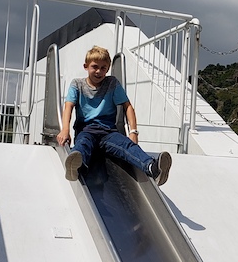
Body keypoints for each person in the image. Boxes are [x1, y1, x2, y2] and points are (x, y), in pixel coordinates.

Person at [56, 45, 172, 186]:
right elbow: (69, 106)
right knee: (82, 144)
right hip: (86, 130)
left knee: (126, 145)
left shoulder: (112, 83)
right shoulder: (77, 84)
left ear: (108, 69)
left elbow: (127, 106)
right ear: (86, 66)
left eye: (103, 68)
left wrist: (133, 132)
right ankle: (76, 167)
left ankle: (153, 168)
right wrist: (65, 130)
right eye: (95, 67)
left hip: (108, 133)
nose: (99, 71)